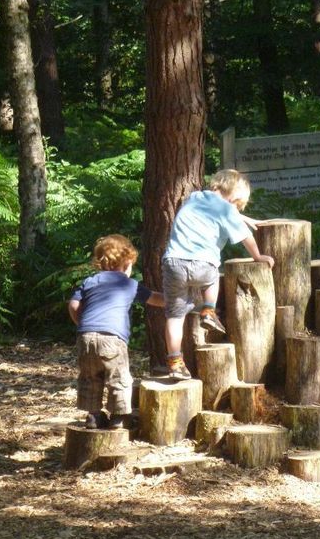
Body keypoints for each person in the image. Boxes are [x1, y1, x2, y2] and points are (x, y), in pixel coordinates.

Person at [162, 168, 275, 379]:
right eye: (239, 205)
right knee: (213, 278)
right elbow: (245, 238)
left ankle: (175, 362)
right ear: (236, 197)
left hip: (173, 263)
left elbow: (214, 210)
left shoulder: (195, 197)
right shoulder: (228, 210)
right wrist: (258, 256)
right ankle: (208, 310)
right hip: (203, 265)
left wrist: (241, 216)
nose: (238, 209)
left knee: (174, 316)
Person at [69, 234, 164, 429]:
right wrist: (180, 301)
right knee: (118, 378)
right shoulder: (128, 284)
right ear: (127, 262)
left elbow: (73, 304)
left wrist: (81, 322)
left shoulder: (90, 281)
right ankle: (119, 418)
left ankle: (93, 416)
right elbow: (156, 299)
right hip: (113, 338)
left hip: (85, 336)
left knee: (90, 376)